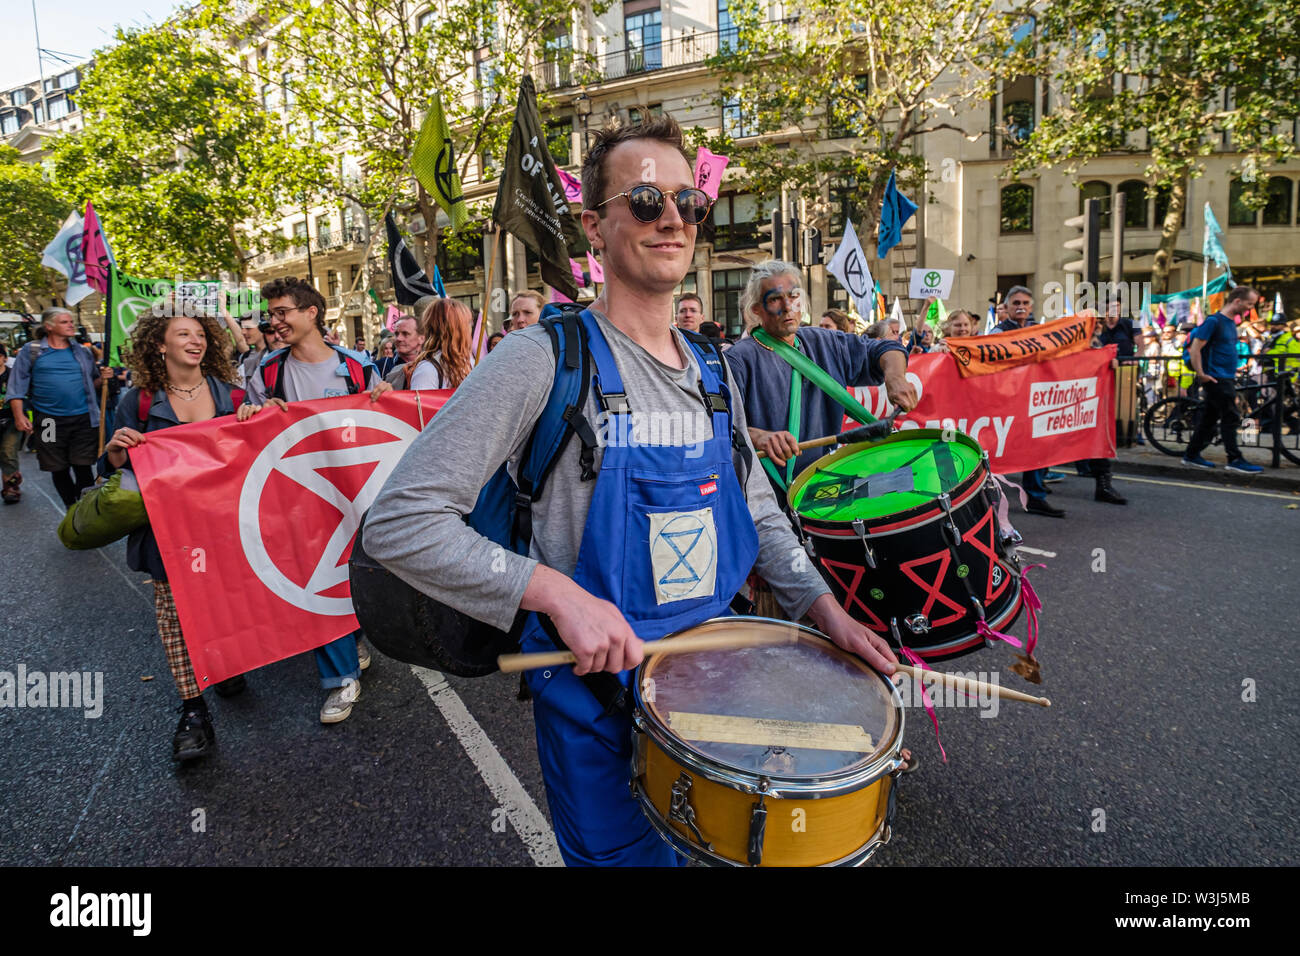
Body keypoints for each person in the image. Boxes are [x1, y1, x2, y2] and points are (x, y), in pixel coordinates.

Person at [363, 114, 899, 867]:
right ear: (594, 225)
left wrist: (825, 610)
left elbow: (756, 507)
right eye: (646, 202)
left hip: (720, 689)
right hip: (594, 703)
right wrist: (556, 595)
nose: (672, 218)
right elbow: (400, 522)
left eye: (689, 203)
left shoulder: (716, 370)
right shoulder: (537, 360)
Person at [99, 297, 250, 761]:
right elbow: (112, 469)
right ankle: (193, 712)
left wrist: (262, 420)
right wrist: (118, 451)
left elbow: (260, 454)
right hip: (167, 531)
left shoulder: (234, 395)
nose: (195, 340)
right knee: (175, 618)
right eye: (183, 334)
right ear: (159, 346)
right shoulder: (137, 401)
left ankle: (224, 663)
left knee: (224, 603)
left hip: (223, 526)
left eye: (200, 334)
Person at [241, 275, 395, 721]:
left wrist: (384, 397)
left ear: (311, 313)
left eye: (283, 311)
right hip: (299, 498)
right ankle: (341, 679)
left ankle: (356, 634)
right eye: (271, 314)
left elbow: (380, 422)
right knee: (317, 585)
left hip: (354, 493)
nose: (275, 321)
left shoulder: (356, 366)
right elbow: (247, 438)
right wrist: (253, 415)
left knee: (362, 576)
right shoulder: (267, 370)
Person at [726, 260, 916, 498]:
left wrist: (895, 377)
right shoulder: (737, 360)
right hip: (767, 501)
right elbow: (720, 426)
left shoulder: (825, 342)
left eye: (794, 296)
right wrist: (759, 436)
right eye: (775, 299)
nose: (788, 307)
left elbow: (885, 349)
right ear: (756, 309)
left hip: (826, 488)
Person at [4, 307, 103, 507]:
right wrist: (18, 416)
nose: (71, 325)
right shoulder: (31, 351)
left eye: (70, 322)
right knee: (58, 467)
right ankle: (70, 506)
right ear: (49, 327)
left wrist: (105, 376)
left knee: (83, 467)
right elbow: (16, 386)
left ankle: (83, 510)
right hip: (49, 421)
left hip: (83, 420)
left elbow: (94, 381)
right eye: (65, 322)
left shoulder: (83, 351)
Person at [1182, 285, 1265, 473]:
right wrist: (1202, 374)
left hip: (1224, 376)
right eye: (1249, 304)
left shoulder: (1230, 322)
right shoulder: (1214, 321)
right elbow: (1195, 349)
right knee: (1231, 416)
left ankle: (1191, 455)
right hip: (1215, 377)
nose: (1250, 308)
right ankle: (1234, 458)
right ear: (1237, 301)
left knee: (1210, 418)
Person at [408, 298, 474, 390]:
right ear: (455, 329)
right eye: (468, 323)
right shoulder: (427, 371)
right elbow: (422, 404)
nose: (471, 327)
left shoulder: (470, 362)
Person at [1, 344, 21, 504]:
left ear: (4, 358)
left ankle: (10, 488)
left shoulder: (12, 376)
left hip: (11, 420)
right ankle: (15, 475)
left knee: (8, 452)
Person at [383, 313, 426, 387]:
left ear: (421, 339)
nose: (398, 338)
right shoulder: (383, 365)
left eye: (405, 334)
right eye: (396, 334)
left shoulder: (432, 365)